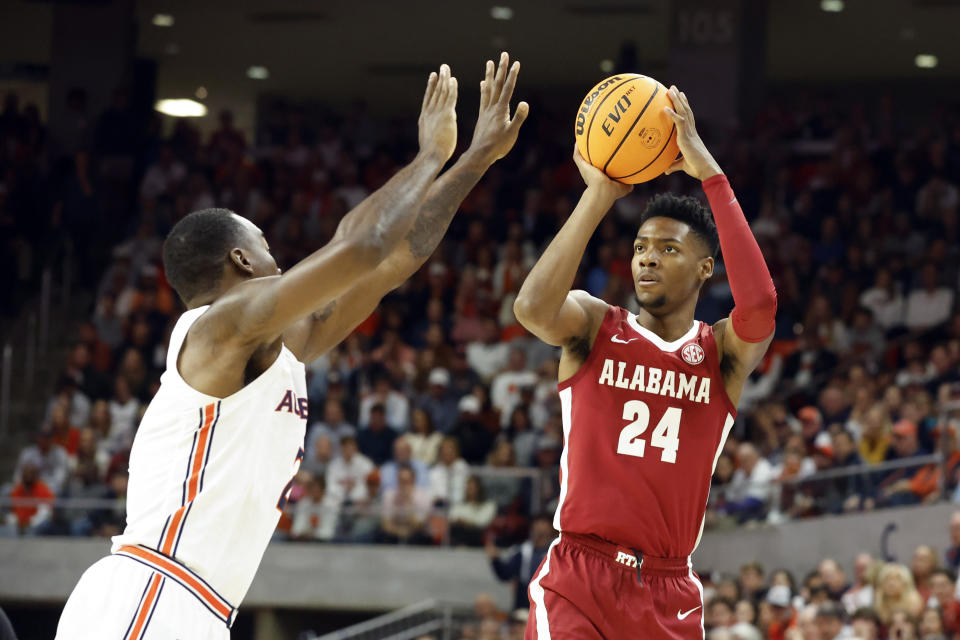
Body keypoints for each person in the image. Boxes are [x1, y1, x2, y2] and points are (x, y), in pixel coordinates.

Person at [56, 53, 529, 639]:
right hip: (153, 591)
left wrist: (476, 159)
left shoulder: (278, 346)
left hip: (192, 602)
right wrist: (430, 154)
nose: (275, 251)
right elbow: (360, 248)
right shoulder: (219, 325)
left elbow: (390, 263)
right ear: (240, 259)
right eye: (264, 240)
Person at [513, 86, 777, 638]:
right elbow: (533, 308)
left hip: (667, 591)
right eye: (640, 247)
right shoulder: (594, 325)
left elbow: (761, 306)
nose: (648, 257)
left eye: (668, 249)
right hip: (577, 576)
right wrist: (601, 194)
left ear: (707, 268)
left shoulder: (720, 354)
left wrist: (710, 171)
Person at [487, 515, 556, 612]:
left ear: (551, 528)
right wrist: (495, 560)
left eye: (544, 523)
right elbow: (505, 574)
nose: (540, 527)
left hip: (549, 601)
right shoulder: (522, 551)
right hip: (524, 601)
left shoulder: (557, 551)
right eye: (537, 524)